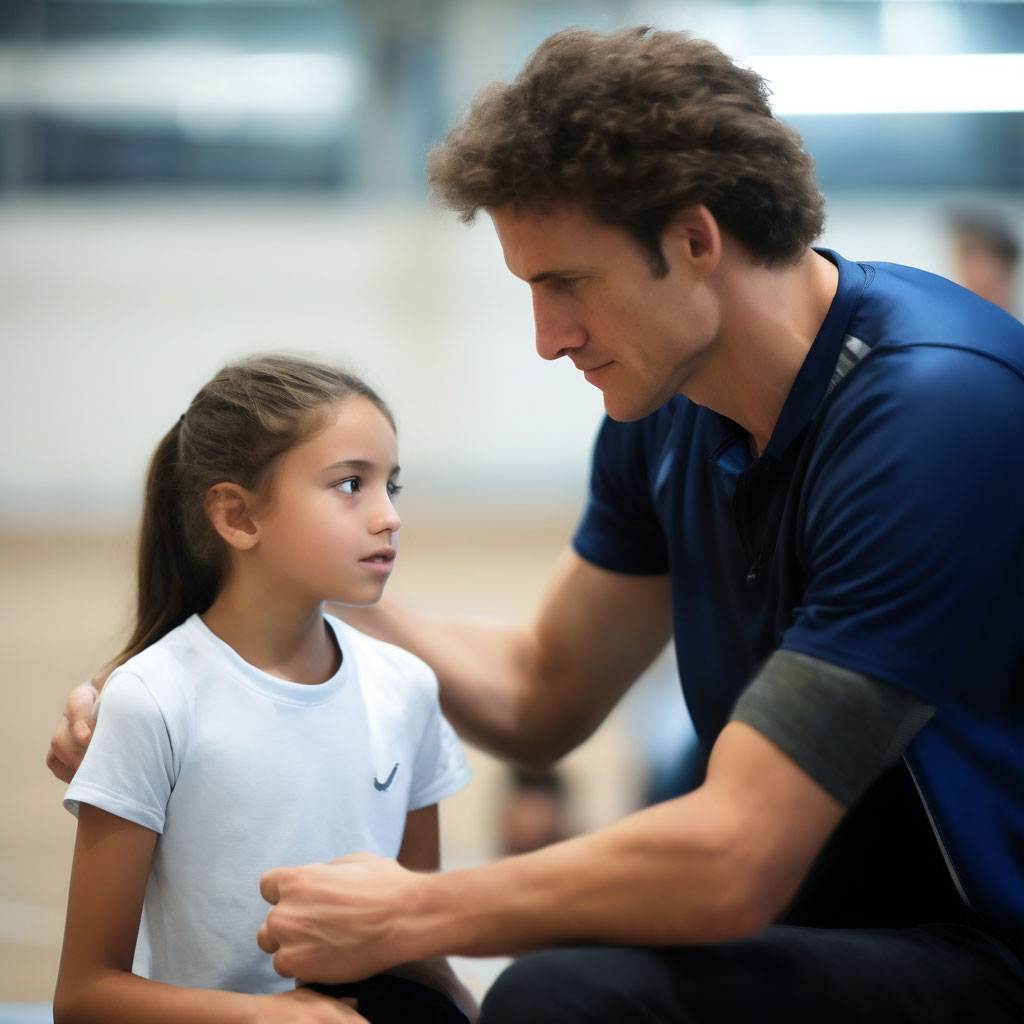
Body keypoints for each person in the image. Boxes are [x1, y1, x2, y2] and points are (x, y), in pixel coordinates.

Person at [48, 26, 1024, 1023]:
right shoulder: (669, 416)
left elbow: (733, 857)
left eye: (566, 284)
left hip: (982, 950)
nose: (547, 339)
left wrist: (416, 910)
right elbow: (542, 691)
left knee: (562, 999)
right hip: (822, 936)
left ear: (694, 240)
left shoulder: (935, 409)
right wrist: (254, 624)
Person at [51, 356, 476, 1024]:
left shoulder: (407, 689)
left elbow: (417, 945)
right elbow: (84, 996)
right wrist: (271, 1017)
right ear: (237, 516)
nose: (389, 516)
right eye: (349, 485)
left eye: (392, 485)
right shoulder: (152, 699)